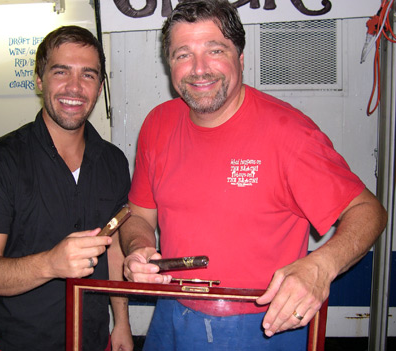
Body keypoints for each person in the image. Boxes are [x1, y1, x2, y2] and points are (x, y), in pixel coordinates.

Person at [119, 1, 388, 350]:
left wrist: (321, 267)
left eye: (215, 50)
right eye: (183, 54)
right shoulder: (158, 124)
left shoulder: (289, 134)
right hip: (173, 313)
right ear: (169, 63)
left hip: (263, 322)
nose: (199, 69)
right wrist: (140, 248)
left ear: (240, 59)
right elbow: (139, 214)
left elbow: (369, 212)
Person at [0, 26, 133, 351]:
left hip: (93, 339)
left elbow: (113, 248)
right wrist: (50, 264)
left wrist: (121, 322)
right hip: (14, 342)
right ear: (40, 80)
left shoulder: (113, 161)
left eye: (88, 75)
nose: (75, 87)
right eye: (61, 72)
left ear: (99, 87)